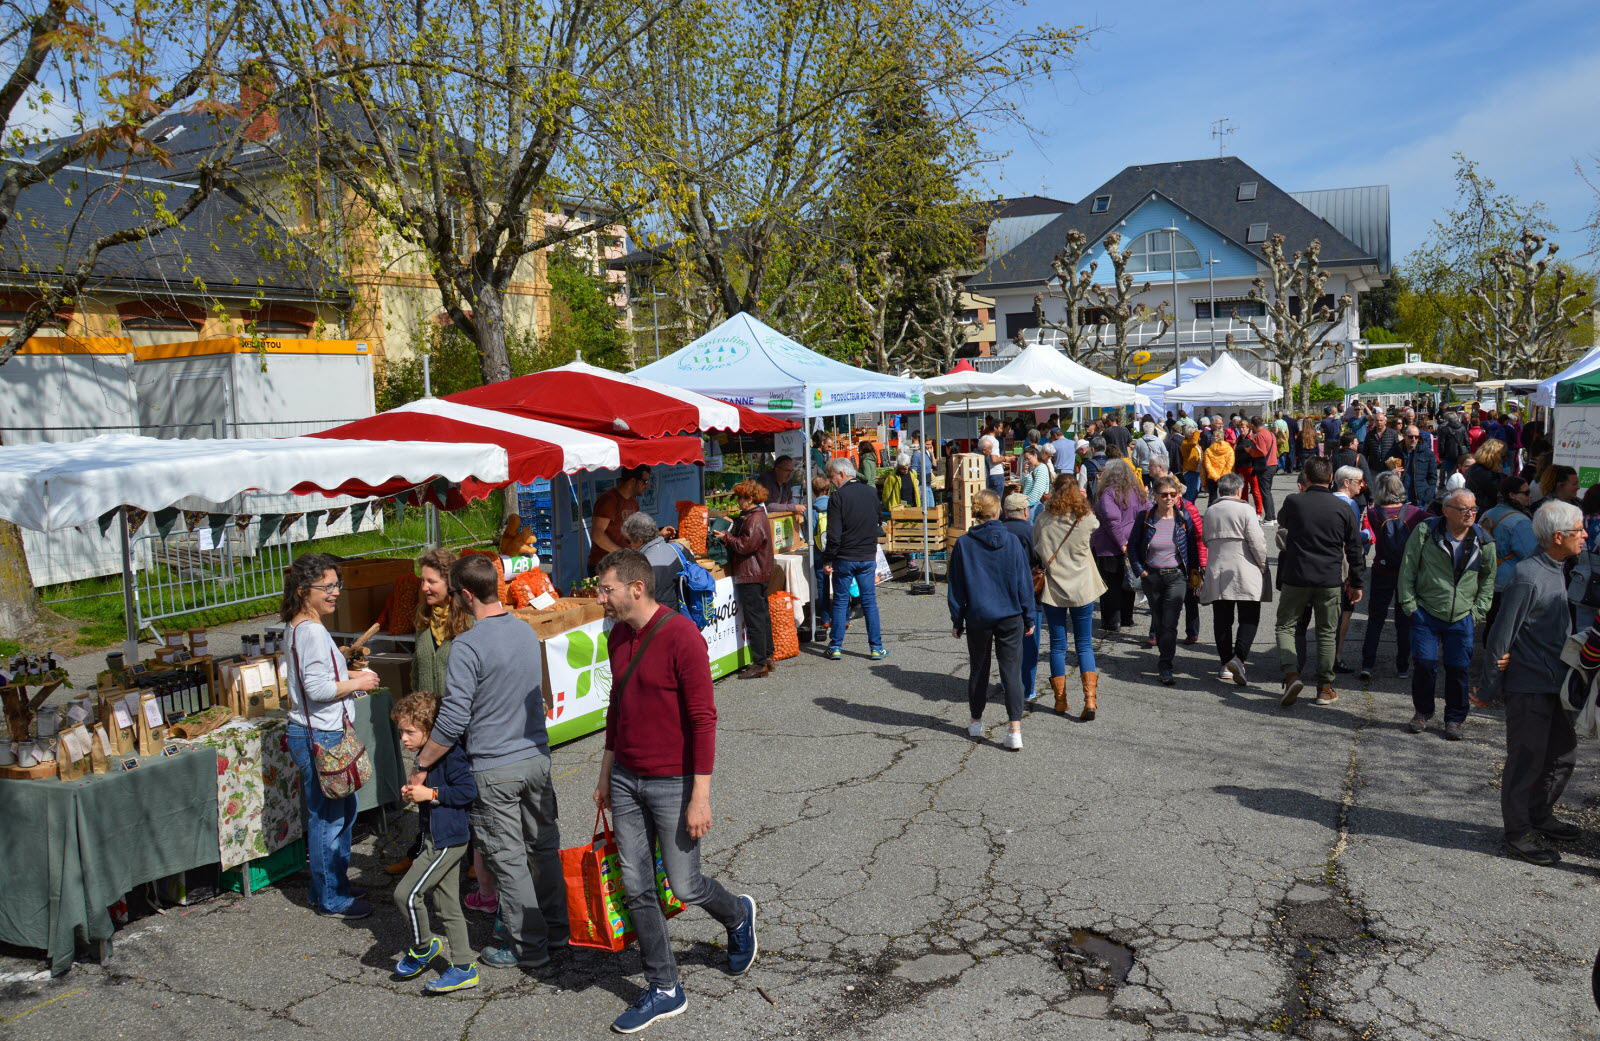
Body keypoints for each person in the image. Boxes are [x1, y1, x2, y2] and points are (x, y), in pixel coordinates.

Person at [591, 549, 758, 1032]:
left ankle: (737, 915)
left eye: (606, 589)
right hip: (626, 778)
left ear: (636, 588)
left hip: (673, 782)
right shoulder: (617, 635)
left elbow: (703, 719)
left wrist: (700, 796)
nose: (600, 598)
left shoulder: (682, 636)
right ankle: (664, 986)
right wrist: (606, 772)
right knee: (636, 885)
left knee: (684, 885)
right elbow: (616, 707)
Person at [410, 554, 567, 969]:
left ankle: (528, 945)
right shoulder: (524, 631)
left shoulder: (467, 645)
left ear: (464, 595)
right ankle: (556, 930)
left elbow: (453, 718)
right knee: (543, 849)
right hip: (535, 758)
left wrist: (422, 764)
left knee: (508, 858)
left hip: (495, 767)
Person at [1487, 501, 1587, 866]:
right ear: (1558, 537)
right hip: (1529, 685)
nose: (1585, 535)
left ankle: (1539, 815)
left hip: (1556, 683)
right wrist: (1486, 688)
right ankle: (1518, 833)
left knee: (1563, 754)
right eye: (1579, 530)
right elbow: (1501, 634)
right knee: (1526, 761)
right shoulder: (1528, 574)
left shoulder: (1559, 568)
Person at [281, 554, 381, 919]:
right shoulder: (310, 631)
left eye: (337, 584)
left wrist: (343, 667)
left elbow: (313, 675)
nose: (336, 592)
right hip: (320, 736)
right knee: (328, 820)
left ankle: (330, 885)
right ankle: (330, 897)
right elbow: (318, 689)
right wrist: (359, 682)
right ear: (303, 590)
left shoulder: (300, 626)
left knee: (342, 812)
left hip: (321, 733)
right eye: (327, 586)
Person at [390, 691, 480, 993]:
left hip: (446, 841)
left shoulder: (452, 754)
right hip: (437, 837)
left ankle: (424, 947)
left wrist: (431, 794)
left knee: (406, 894)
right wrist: (415, 794)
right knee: (447, 905)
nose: (403, 738)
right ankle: (464, 968)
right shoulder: (426, 758)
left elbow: (468, 792)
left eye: (409, 731)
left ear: (430, 730)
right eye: (401, 732)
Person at [1396, 488, 1497, 740]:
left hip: (1462, 616)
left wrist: (1478, 611)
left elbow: (1488, 578)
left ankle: (1454, 719)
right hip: (1426, 612)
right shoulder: (1426, 531)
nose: (1470, 514)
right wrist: (1410, 605)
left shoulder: (1483, 540)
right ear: (1446, 511)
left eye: (1474, 509)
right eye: (1464, 509)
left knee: (1458, 669)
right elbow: (1408, 568)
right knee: (1424, 664)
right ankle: (1423, 711)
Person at [948, 489, 1035, 751]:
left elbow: (957, 586)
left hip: (979, 615)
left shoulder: (964, 543)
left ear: (976, 512)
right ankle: (1015, 730)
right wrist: (1029, 615)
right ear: (998, 511)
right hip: (1010, 614)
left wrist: (957, 619)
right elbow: (1023, 582)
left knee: (979, 669)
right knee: (1011, 672)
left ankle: (976, 721)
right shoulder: (1012, 541)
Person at [1275, 457, 1364, 709]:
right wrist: (1356, 582)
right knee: (1326, 632)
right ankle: (1324, 688)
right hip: (1329, 578)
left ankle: (1291, 674)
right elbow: (1355, 548)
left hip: (1297, 576)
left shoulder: (1294, 501)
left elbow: (1282, 521)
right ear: (1331, 478)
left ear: (1306, 478)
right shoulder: (1343, 507)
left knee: (1286, 626)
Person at [1034, 473, 1104, 718]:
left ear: (1054, 490)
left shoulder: (1042, 519)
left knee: (1057, 644)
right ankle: (1090, 700)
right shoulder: (1085, 518)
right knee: (1084, 644)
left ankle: (1060, 700)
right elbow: (1096, 524)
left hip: (1054, 588)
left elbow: (1036, 547)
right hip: (1082, 587)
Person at [1126, 474, 1201, 686]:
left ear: (1178, 496)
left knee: (1170, 622)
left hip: (1177, 576)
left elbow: (1192, 547)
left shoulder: (1183, 518)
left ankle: (1165, 665)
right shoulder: (1145, 518)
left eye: (1173, 494)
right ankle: (1164, 652)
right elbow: (1133, 547)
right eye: (1164, 494)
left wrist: (1193, 573)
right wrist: (1140, 571)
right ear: (1156, 496)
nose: (1169, 498)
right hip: (1152, 577)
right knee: (1159, 621)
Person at [1201, 472, 1269, 686]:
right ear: (1239, 490)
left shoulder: (1210, 511)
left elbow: (1205, 539)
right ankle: (1239, 659)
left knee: (1222, 619)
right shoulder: (1246, 510)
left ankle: (1225, 663)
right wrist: (1263, 565)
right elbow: (1257, 542)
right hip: (1245, 569)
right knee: (1249, 616)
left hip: (1218, 570)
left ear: (1220, 490)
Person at [1358, 471, 1425, 681]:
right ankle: (1402, 666)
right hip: (1406, 571)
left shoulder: (1374, 513)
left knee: (1375, 619)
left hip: (1382, 569)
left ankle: (1367, 664)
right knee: (1404, 621)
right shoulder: (1414, 512)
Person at [822, 458, 887, 661]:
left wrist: (828, 559)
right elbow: (878, 521)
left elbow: (833, 534)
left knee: (841, 601)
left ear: (841, 474)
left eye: (831, 476)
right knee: (869, 602)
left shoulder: (837, 497)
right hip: (867, 554)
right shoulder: (871, 492)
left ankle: (836, 646)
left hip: (845, 556)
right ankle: (876, 647)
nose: (831, 481)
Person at [711, 480, 775, 679]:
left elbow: (744, 546)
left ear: (749, 499)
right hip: (758, 573)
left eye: (739, 497)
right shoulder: (756, 515)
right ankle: (767, 657)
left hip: (751, 574)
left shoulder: (755, 518)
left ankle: (760, 663)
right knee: (762, 616)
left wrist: (726, 537)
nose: (738, 501)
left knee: (755, 619)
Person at [1090, 454, 1147, 644]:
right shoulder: (1137, 491)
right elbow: (1148, 511)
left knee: (1111, 584)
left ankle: (1112, 621)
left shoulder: (1109, 493)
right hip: (1132, 542)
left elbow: (1112, 521)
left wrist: (1122, 543)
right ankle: (1126, 617)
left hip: (1110, 545)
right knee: (1127, 581)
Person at [999, 492, 1043, 698]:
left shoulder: (999, 530)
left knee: (1006, 644)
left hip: (1002, 594)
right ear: (1025, 511)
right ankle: (1027, 687)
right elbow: (1040, 559)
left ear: (1005, 511)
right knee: (1029, 644)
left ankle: (1007, 682)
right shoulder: (1031, 531)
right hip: (1029, 592)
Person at [1481, 477, 1537, 634]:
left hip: (1487, 577)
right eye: (1526, 493)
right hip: (1509, 582)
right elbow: (1530, 554)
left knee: (1491, 622)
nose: (1529, 497)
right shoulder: (1520, 521)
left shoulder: (1487, 514)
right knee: (1506, 627)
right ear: (1512, 495)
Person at [589, 466, 652, 569]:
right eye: (645, 482)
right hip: (605, 566)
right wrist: (622, 553)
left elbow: (636, 532)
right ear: (632, 481)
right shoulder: (609, 500)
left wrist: (658, 534)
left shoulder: (633, 502)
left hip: (622, 564)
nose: (648, 485)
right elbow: (596, 534)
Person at [625, 511, 686, 615]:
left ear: (639, 541)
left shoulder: (640, 565)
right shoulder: (680, 549)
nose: (628, 545)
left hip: (660, 619)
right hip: (687, 615)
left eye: (628, 541)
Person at [1388, 426, 1438, 506]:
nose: (1414, 439)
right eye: (1410, 437)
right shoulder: (1394, 451)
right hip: (1399, 498)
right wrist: (1391, 473)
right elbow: (1383, 472)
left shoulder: (1427, 453)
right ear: (1404, 436)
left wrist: (1429, 494)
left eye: (1416, 437)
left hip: (1420, 499)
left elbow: (1433, 476)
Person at [1466, 439, 1507, 515]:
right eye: (1503, 456)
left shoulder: (1475, 468)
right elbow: (1498, 491)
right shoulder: (1484, 473)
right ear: (1495, 456)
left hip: (1479, 509)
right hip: (1484, 512)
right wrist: (1502, 475)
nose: (1505, 459)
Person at [1202, 424, 1235, 505]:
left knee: (1212, 497)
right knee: (1226, 497)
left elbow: (1207, 465)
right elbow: (1229, 465)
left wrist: (1215, 476)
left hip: (1212, 477)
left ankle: (1211, 512)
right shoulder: (1229, 449)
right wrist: (1223, 476)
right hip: (1225, 477)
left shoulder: (1208, 450)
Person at [1131, 420, 1169, 485]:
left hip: (1143, 468)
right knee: (1157, 487)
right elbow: (1165, 454)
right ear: (1153, 430)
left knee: (1145, 488)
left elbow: (1134, 457)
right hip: (1156, 468)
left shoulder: (1139, 441)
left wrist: (1138, 466)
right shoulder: (1159, 441)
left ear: (1143, 430)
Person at [1178, 419, 1203, 502]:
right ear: (1187, 434)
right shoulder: (1185, 443)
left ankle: (1190, 507)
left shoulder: (1197, 444)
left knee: (1195, 492)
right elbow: (1193, 443)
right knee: (1191, 493)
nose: (1195, 435)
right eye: (1193, 433)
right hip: (1190, 471)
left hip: (1197, 471)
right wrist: (1197, 433)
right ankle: (1186, 507)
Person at [978, 426, 1007, 499]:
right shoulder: (994, 441)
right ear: (995, 428)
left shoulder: (983, 438)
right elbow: (994, 459)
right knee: (996, 500)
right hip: (996, 474)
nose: (1002, 430)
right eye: (1001, 428)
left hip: (988, 475)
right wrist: (1005, 459)